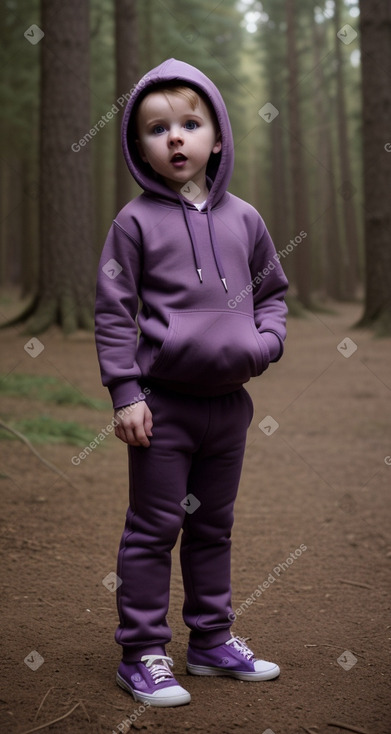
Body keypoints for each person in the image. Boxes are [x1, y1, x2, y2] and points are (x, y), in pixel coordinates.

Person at [95, 58, 288, 708]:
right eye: (156, 128)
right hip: (161, 408)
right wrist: (125, 393)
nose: (174, 137)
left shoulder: (246, 219)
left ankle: (209, 641)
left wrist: (264, 344)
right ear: (137, 146)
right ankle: (141, 651)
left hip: (228, 408)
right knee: (152, 529)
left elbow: (273, 295)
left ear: (217, 137)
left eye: (189, 123)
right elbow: (114, 312)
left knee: (213, 527)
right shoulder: (133, 224)